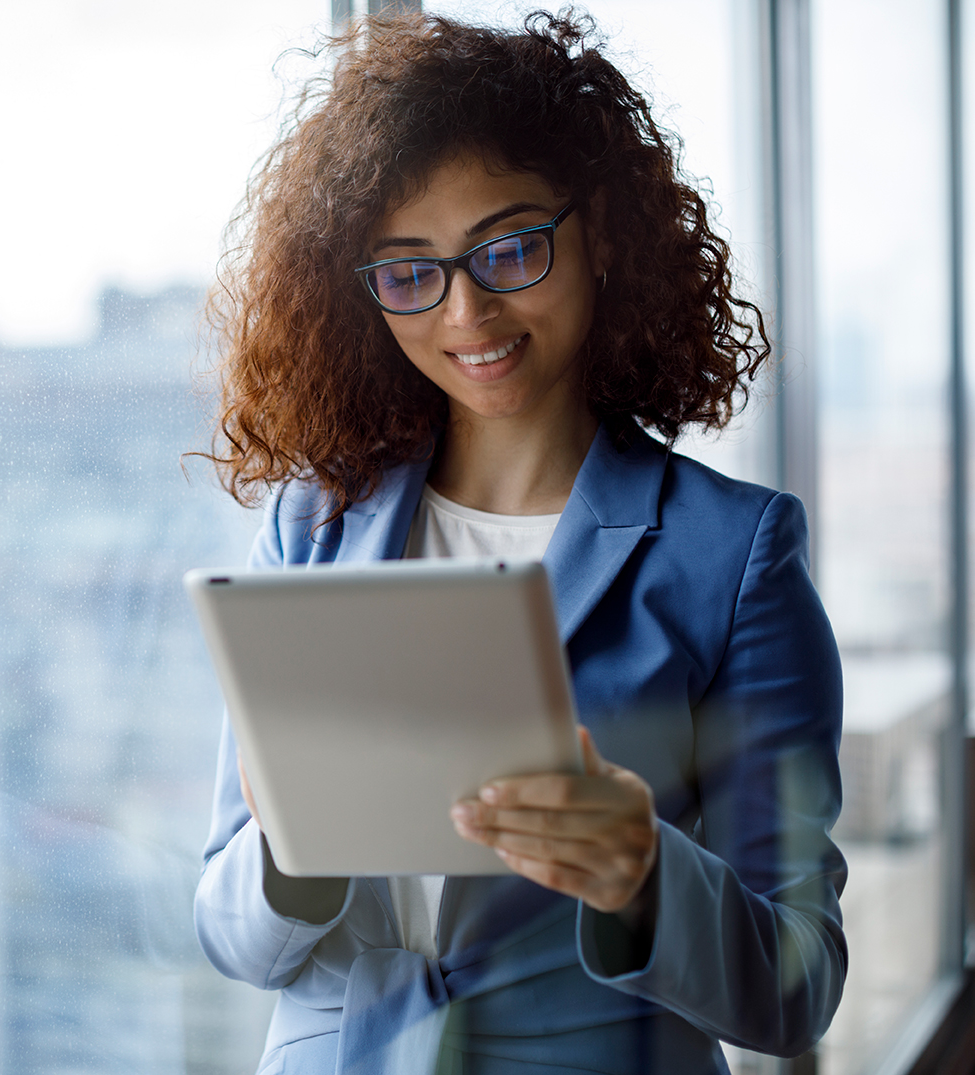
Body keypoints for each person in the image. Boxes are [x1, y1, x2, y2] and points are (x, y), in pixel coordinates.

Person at [192, 11, 846, 1075]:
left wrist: (643, 874)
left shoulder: (732, 554)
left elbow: (797, 984)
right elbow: (229, 937)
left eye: (507, 249)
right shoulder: (310, 527)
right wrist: (285, 849)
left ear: (601, 237)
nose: (466, 311)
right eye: (409, 271)